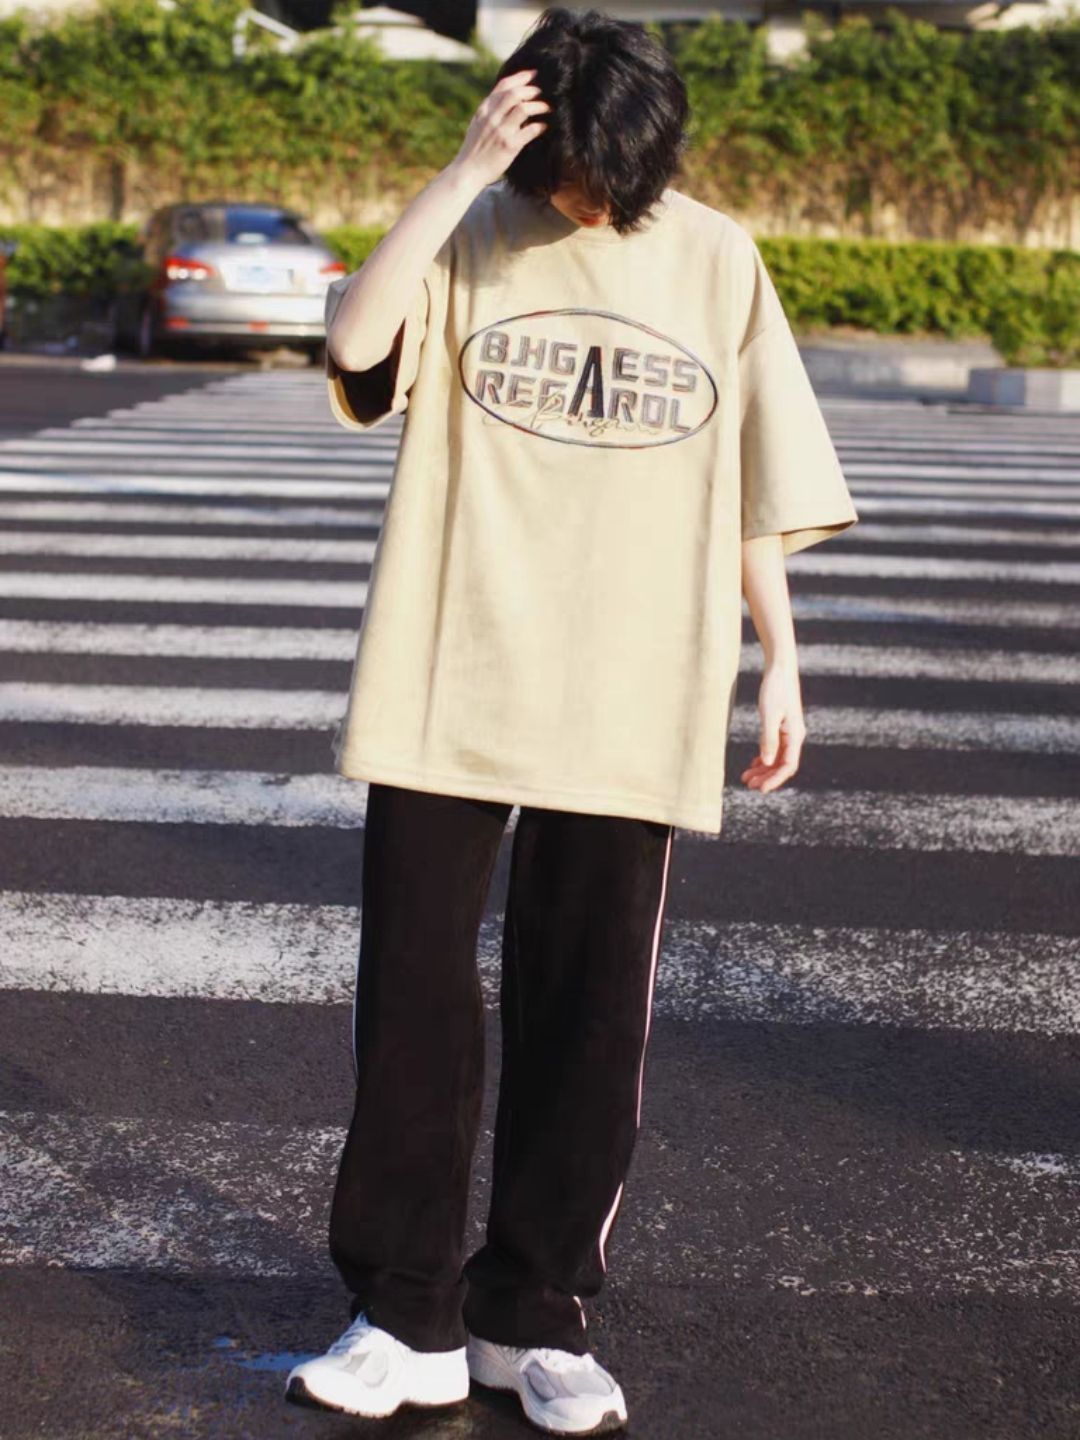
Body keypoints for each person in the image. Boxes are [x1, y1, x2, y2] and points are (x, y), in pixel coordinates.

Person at [286, 6, 859, 1434]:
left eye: (625, 178)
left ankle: (532, 1313)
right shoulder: (472, 230)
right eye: (582, 176)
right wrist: (457, 173)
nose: (603, 204)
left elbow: (752, 479)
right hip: (449, 662)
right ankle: (404, 1315)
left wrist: (783, 658)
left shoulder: (717, 257)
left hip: (634, 678)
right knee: (415, 1002)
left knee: (593, 1014)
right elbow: (354, 340)